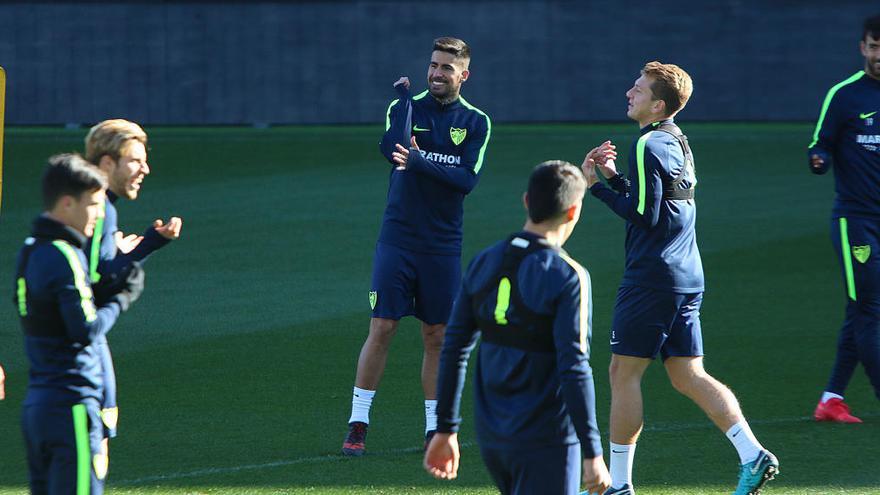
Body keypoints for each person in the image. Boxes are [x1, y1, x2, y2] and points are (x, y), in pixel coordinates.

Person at [584, 61, 778, 495]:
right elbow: (661, 201)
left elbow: (643, 215)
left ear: (658, 103)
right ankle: (752, 454)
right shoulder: (675, 139)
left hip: (651, 278)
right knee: (687, 374)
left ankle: (617, 486)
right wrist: (616, 178)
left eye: (637, 90)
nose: (628, 94)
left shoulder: (647, 142)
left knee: (622, 372)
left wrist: (593, 185)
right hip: (685, 275)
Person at [342, 36, 491, 456]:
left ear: (464, 74)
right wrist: (407, 102)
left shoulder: (476, 121)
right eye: (433, 65)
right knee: (383, 326)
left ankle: (434, 429)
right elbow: (392, 149)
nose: (437, 73)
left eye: (446, 68)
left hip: (442, 244)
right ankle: (358, 423)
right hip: (399, 237)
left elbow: (466, 181)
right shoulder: (405, 106)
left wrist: (422, 161)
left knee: (437, 335)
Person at [423, 160, 609, 495]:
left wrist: (446, 429)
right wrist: (593, 451)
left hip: (493, 439)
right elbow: (574, 366)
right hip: (547, 440)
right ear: (573, 211)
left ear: (526, 201)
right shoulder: (568, 276)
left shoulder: (483, 261)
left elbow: (454, 348)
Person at [16, 154, 144, 494]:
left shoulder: (30, 250)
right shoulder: (65, 255)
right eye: (94, 204)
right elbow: (84, 330)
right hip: (71, 403)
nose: (100, 214)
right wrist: (123, 297)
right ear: (68, 203)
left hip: (37, 405)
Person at [83, 119, 182, 446]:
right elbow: (99, 282)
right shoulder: (98, 209)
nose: (145, 169)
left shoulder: (96, 205)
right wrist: (146, 248)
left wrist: (141, 247)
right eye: (136, 161)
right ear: (108, 163)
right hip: (81, 350)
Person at [809, 13, 880, 424]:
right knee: (869, 309)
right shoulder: (845, 95)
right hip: (856, 221)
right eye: (872, 46)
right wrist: (819, 159)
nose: (877, 55)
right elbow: (820, 143)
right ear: (862, 48)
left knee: (861, 310)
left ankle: (831, 399)